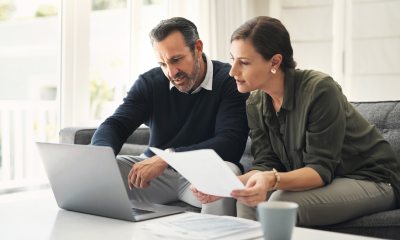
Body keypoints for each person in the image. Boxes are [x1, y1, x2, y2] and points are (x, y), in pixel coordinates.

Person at [193, 16, 400, 226]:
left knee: (280, 202)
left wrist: (272, 179)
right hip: (330, 178)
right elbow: (266, 164)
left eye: (244, 62)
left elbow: (320, 170)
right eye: (233, 60)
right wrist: (228, 186)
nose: (232, 71)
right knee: (247, 197)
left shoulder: (319, 89)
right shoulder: (255, 102)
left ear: (275, 62)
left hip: (371, 178)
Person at [91, 17, 249, 216]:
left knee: (227, 174)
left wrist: (168, 158)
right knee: (94, 174)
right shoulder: (150, 83)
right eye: (163, 64)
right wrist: (98, 159)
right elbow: (116, 125)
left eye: (176, 60)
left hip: (199, 175)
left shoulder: (229, 81)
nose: (171, 72)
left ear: (198, 48)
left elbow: (230, 142)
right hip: (155, 176)